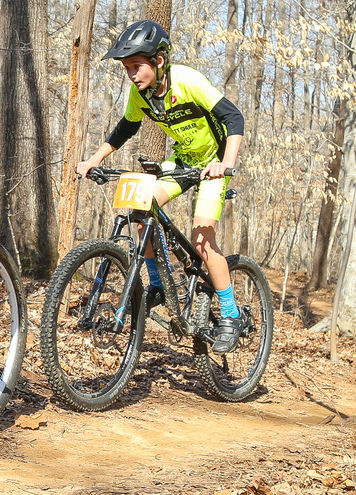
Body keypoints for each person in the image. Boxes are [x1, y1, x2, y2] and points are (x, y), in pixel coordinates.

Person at [76, 20, 247, 352]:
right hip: (183, 162)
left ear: (159, 61)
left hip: (213, 164)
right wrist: (94, 159)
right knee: (141, 204)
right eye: (126, 68)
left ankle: (230, 314)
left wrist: (224, 164)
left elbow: (234, 117)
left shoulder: (187, 81)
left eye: (136, 66)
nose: (131, 74)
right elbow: (126, 128)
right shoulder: (140, 94)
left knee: (202, 241)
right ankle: (158, 284)